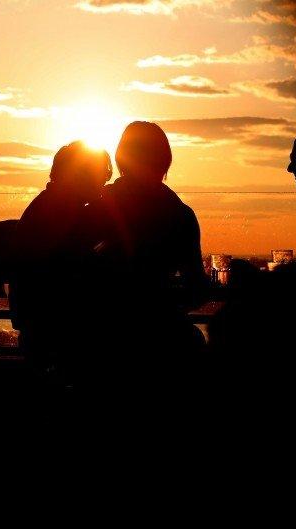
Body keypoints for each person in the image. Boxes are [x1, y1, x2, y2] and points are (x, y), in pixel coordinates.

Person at [86, 121, 208, 407]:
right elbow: (196, 289)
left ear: (121, 158)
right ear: (164, 160)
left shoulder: (97, 208)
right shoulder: (180, 214)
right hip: (162, 343)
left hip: (103, 341)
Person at [11, 141, 112, 381]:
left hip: (40, 327)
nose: (104, 184)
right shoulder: (65, 211)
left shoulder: (50, 204)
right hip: (57, 332)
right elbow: (76, 268)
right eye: (100, 176)